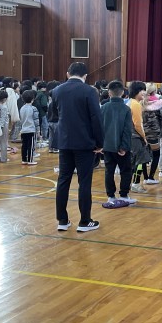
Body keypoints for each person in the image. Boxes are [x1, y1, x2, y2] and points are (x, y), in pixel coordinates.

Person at [53, 62, 103, 232]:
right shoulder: (89, 91)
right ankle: (85, 221)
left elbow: (54, 115)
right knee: (84, 182)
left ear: (68, 73)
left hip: (64, 142)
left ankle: (62, 220)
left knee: (63, 180)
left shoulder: (57, 90)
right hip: (84, 143)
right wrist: (100, 143)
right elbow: (96, 118)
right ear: (85, 76)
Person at [101, 80, 135, 204]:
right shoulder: (126, 109)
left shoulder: (103, 108)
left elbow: (99, 127)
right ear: (122, 93)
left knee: (109, 171)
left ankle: (110, 196)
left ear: (109, 93)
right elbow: (127, 130)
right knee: (125, 171)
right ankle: (124, 195)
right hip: (122, 147)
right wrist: (124, 147)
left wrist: (100, 144)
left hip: (107, 146)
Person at [127, 81, 150, 193]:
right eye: (142, 90)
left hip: (130, 137)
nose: (144, 93)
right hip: (135, 137)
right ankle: (135, 184)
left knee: (133, 161)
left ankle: (129, 184)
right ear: (137, 91)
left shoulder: (130, 102)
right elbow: (137, 124)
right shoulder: (135, 104)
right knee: (140, 161)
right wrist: (144, 138)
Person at [142, 83, 162, 184]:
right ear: (154, 91)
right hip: (154, 133)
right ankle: (151, 177)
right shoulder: (158, 104)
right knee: (156, 155)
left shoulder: (141, 103)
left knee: (143, 156)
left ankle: (145, 177)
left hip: (142, 133)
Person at [19, 89, 40, 165]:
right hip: (31, 130)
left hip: (23, 130)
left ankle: (24, 159)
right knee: (31, 146)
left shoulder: (22, 108)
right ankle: (30, 160)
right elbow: (36, 120)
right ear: (32, 99)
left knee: (24, 146)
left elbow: (21, 119)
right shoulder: (33, 108)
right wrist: (38, 131)